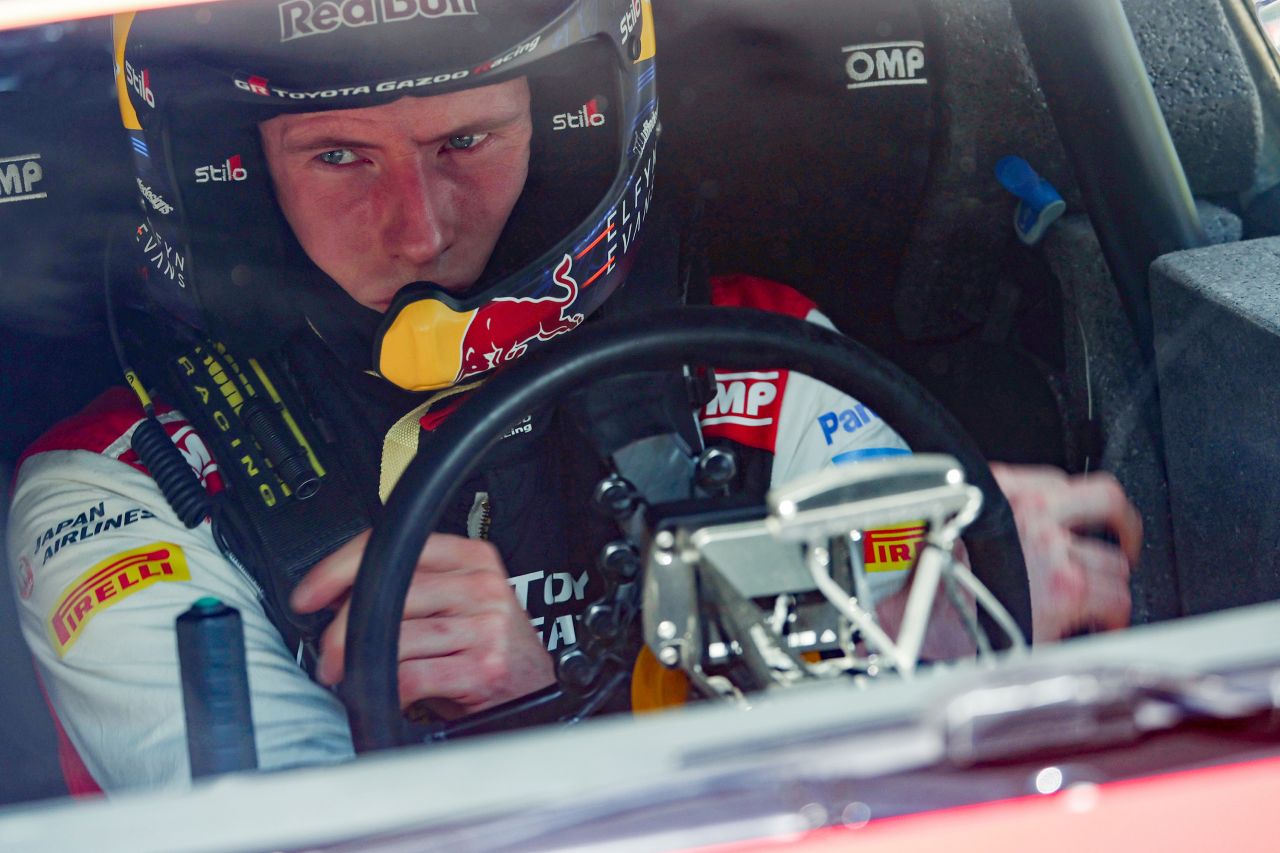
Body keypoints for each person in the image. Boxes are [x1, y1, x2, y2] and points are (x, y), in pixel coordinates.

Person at [6, 0, 1140, 794]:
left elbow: (940, 725)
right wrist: (535, 724)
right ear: (239, 170)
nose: (420, 228)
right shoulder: (118, 487)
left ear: (558, 123)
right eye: (339, 157)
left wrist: (959, 623)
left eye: (466, 137)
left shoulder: (766, 359)